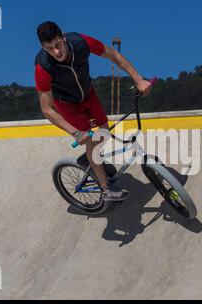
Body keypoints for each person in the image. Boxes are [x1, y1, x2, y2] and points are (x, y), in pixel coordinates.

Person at [34, 21, 152, 202]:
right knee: (92, 141)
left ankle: (90, 159)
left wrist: (138, 79)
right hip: (67, 104)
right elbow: (47, 109)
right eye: (49, 49)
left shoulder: (81, 42)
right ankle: (105, 189)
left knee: (104, 132)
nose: (56, 52)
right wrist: (75, 132)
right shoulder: (43, 67)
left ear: (63, 36)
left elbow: (114, 56)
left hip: (88, 94)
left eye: (57, 44)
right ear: (43, 47)